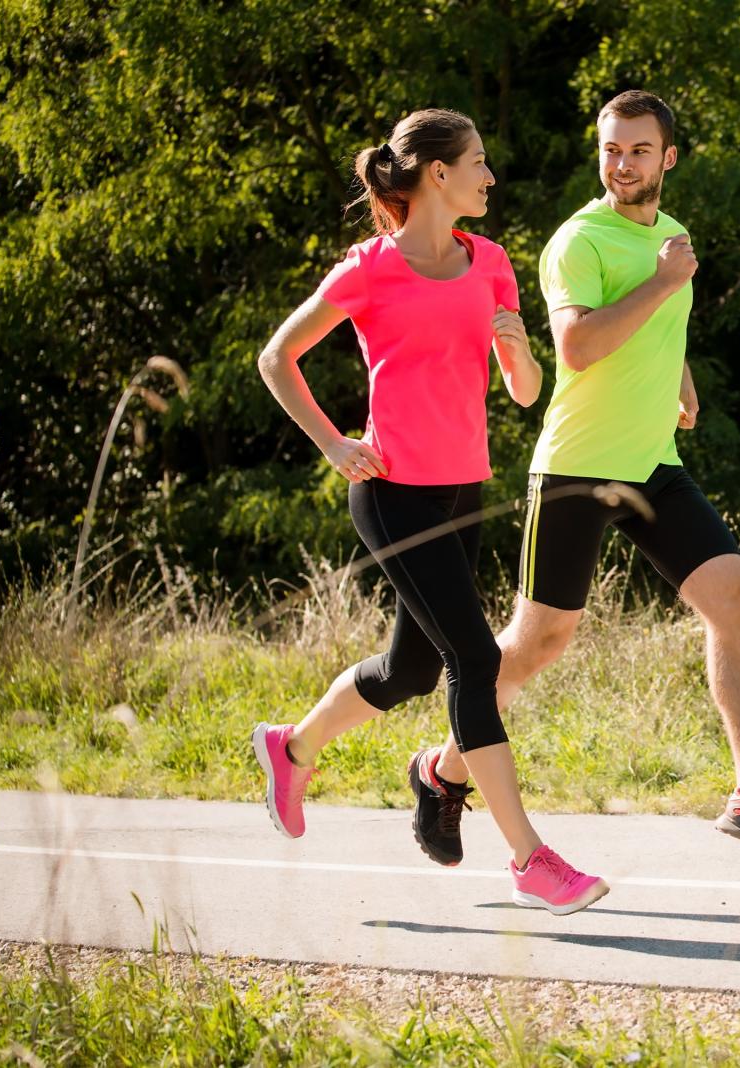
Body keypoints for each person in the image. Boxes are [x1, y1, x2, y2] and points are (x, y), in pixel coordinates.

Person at [411, 90, 740, 863]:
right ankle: (442, 772)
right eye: (610, 149)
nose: (623, 163)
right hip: (577, 468)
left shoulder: (671, 237)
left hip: (651, 465)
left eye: (639, 150)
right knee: (539, 645)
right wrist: (668, 286)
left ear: (667, 157)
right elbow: (575, 347)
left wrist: (680, 375)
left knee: (735, 597)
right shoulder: (579, 241)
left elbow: (655, 326)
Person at [250, 108, 609, 916]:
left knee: (412, 669)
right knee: (475, 660)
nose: (490, 175)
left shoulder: (491, 263)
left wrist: (516, 348)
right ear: (436, 174)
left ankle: (292, 746)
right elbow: (277, 357)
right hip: (390, 490)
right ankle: (529, 859)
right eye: (478, 162)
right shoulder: (368, 269)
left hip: (461, 488)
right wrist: (334, 443)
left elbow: (522, 392)